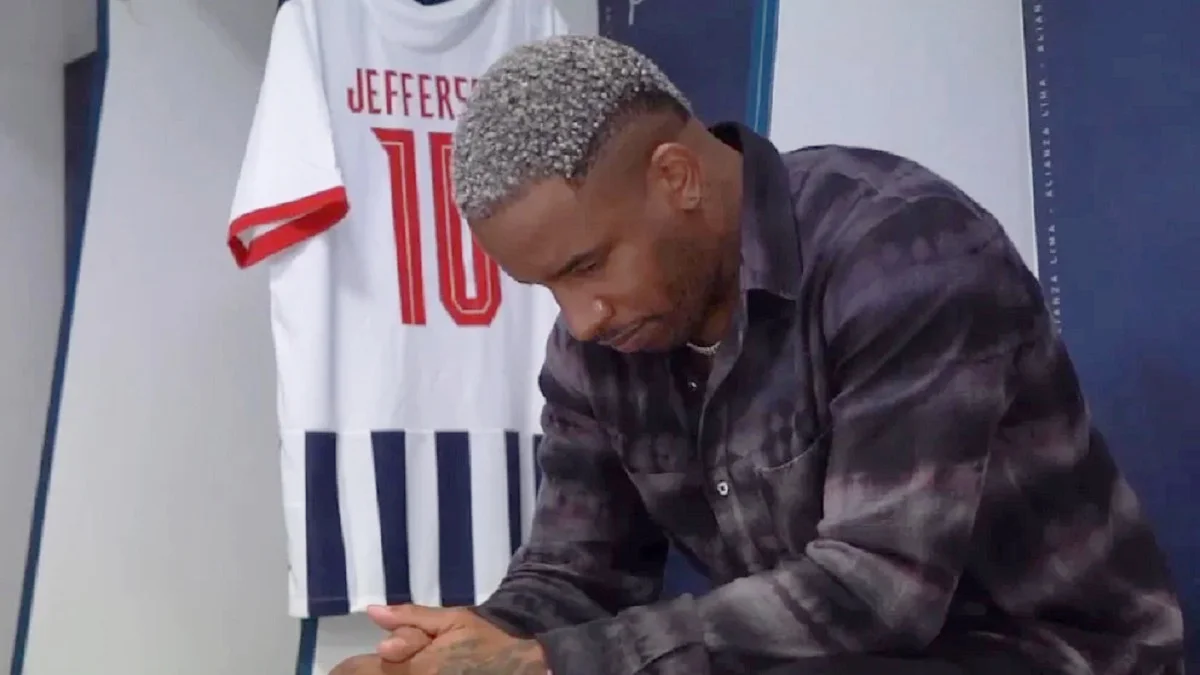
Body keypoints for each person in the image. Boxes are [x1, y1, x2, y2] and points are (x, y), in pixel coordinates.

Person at [331, 35, 1184, 675]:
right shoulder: (604, 341)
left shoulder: (904, 254)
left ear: (676, 178)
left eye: (586, 267)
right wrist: (464, 650)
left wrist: (552, 662)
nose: (580, 319)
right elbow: (577, 572)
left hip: (1049, 654)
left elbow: (877, 589)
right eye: (546, 286)